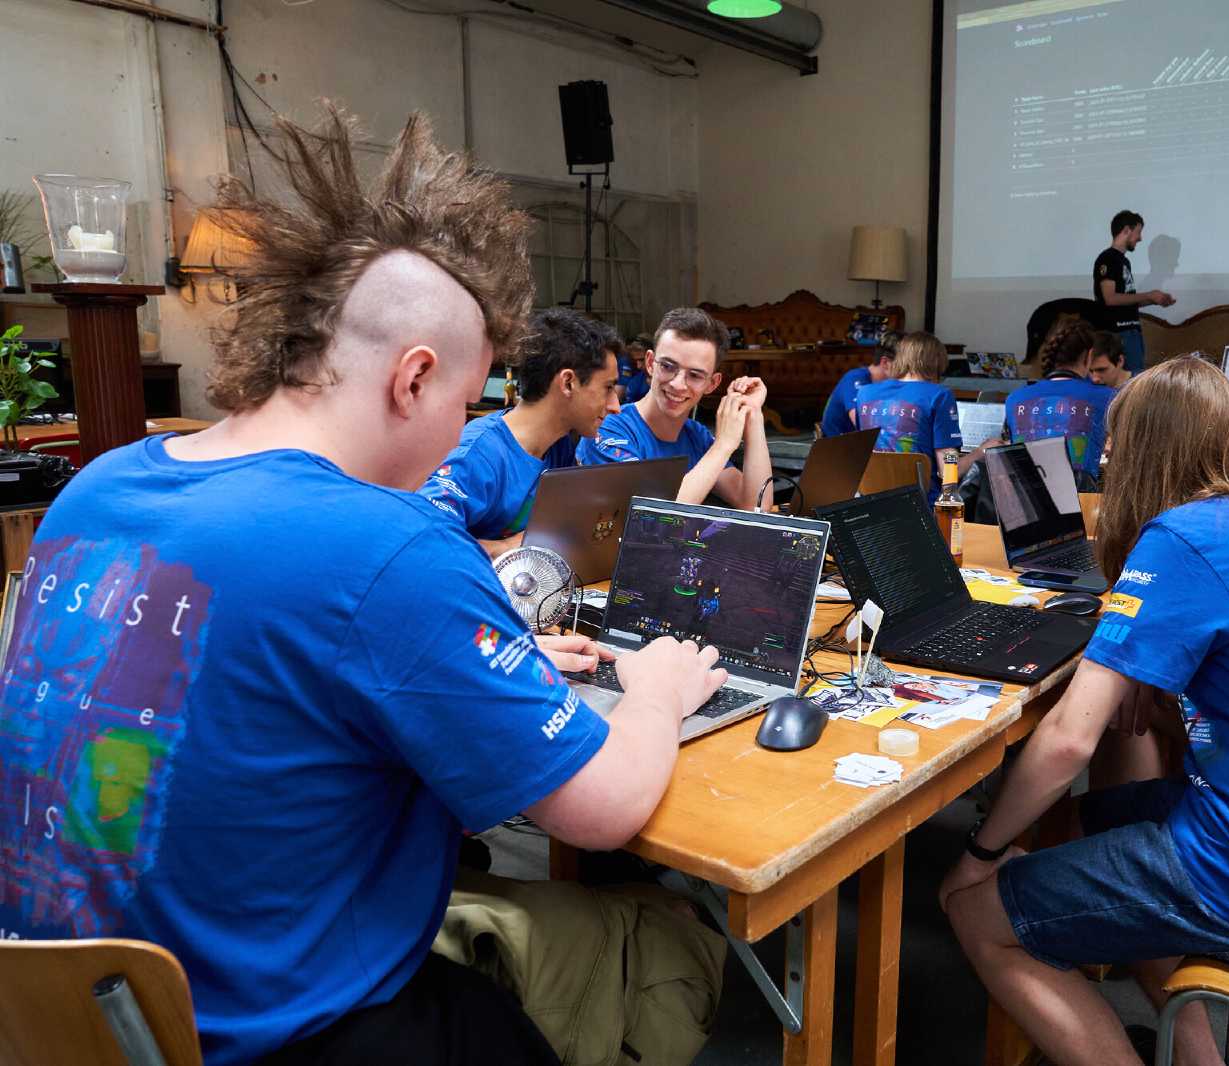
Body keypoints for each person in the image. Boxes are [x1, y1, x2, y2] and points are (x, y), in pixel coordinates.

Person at [0, 106, 730, 1066]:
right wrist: (658, 692)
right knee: (623, 962)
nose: (463, 429)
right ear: (413, 379)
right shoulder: (391, 545)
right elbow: (604, 807)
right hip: (259, 1035)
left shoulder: (94, 488)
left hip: (60, 1017)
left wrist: (490, 658)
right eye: (465, 403)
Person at [941, 357, 1229, 1066]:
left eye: (1116, 440)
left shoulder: (1185, 536)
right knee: (1106, 819)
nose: (1105, 455)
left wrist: (979, 854)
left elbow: (1069, 740)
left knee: (976, 914)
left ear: (1147, 451)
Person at [418, 307, 621, 558]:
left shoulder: (560, 448)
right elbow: (423, 542)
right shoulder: (477, 456)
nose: (615, 406)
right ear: (568, 383)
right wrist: (507, 548)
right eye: (608, 388)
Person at [577, 308, 773, 510]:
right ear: (650, 363)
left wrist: (754, 415)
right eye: (668, 367)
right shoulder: (607, 428)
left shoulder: (696, 437)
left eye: (695, 375)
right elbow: (652, 515)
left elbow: (757, 505)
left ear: (712, 384)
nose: (678, 384)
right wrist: (723, 445)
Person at [852, 331, 978, 497]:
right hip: (921, 502)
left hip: (870, 500)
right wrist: (980, 453)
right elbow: (948, 467)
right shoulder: (939, 395)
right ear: (936, 362)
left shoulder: (864, 393)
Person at [1004, 321, 1115, 484]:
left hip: (1027, 495)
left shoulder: (1014, 398)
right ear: (1089, 356)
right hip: (1081, 496)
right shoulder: (1107, 396)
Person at [1092, 210, 1175, 374]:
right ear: (1126, 230)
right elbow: (1110, 298)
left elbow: (1127, 299)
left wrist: (1154, 300)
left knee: (1135, 378)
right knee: (1128, 382)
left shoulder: (1124, 261)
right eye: (1138, 232)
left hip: (1131, 333)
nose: (1140, 238)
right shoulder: (1107, 258)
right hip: (1117, 334)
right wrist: (1148, 295)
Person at [819, 329, 899, 437]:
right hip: (838, 444)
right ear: (885, 363)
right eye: (904, 364)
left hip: (861, 441)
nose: (909, 370)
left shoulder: (889, 384)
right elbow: (862, 425)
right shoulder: (855, 378)